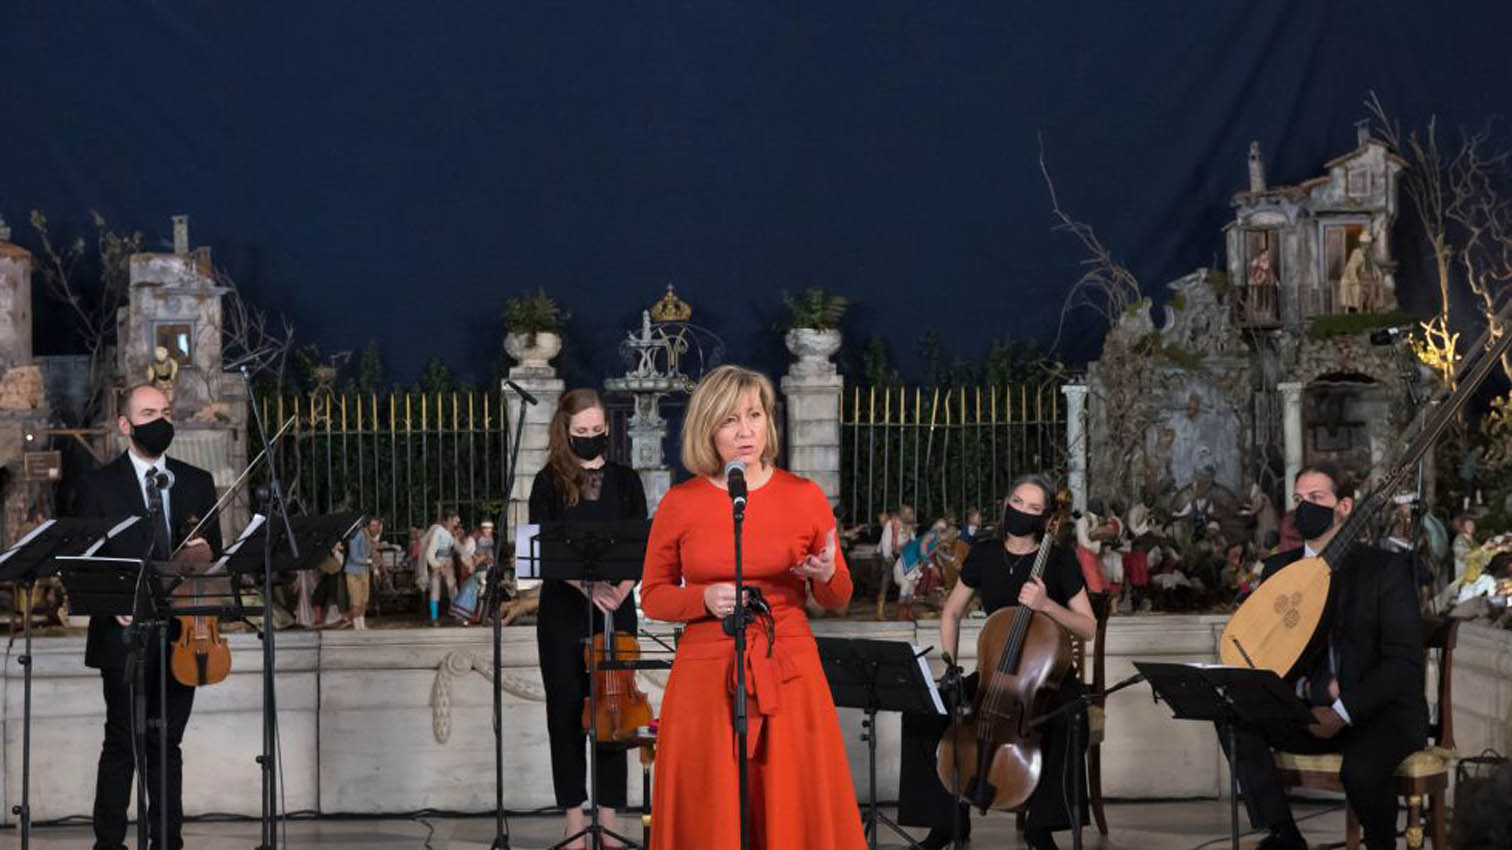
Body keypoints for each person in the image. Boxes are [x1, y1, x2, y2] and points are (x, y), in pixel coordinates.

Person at [641, 365, 864, 850]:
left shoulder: (804, 496)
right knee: (709, 805)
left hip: (788, 668)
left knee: (791, 799)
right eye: (729, 420)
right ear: (707, 429)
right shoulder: (681, 504)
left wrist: (825, 575)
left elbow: (839, 596)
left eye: (754, 415)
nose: (745, 431)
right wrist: (701, 598)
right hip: (705, 672)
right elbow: (653, 595)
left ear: (769, 422)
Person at [1219, 462, 1426, 850]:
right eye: (1299, 500)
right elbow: (1272, 652)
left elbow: (1403, 663)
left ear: (1345, 506)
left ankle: (1382, 845)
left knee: (1362, 771)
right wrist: (1300, 695)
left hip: (1376, 713)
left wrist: (1343, 709)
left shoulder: (1385, 568)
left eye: (1317, 498)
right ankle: (1283, 834)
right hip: (1308, 709)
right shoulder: (1279, 569)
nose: (1304, 508)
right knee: (1234, 721)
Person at [898, 474, 1096, 850]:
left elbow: (1088, 628)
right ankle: (946, 823)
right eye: (1018, 502)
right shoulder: (985, 553)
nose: (1022, 511)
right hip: (995, 673)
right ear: (1006, 502)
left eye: (1034, 508)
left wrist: (1047, 605)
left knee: (1071, 719)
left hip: (1047, 679)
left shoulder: (1059, 558)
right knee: (924, 710)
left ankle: (1042, 826)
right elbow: (951, 613)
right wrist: (950, 666)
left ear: (1046, 516)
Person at [73, 384, 222, 850]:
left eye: (165, 411)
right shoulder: (99, 485)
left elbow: (211, 558)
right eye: (148, 412)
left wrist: (204, 554)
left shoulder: (197, 482)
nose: (161, 420)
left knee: (166, 745)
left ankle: (166, 842)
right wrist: (112, 601)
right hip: (123, 638)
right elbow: (82, 562)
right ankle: (109, 844)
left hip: (183, 636)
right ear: (125, 425)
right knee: (122, 742)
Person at [529, 388, 647, 848]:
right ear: (565, 431)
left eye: (598, 432)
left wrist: (619, 589)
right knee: (564, 710)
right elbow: (546, 551)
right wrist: (587, 587)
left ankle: (611, 815)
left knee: (614, 711)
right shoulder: (548, 482)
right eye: (582, 433)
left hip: (617, 609)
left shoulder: (626, 480)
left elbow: (643, 545)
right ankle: (574, 816)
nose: (591, 439)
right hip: (564, 610)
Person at [422, 508, 461, 626]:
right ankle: (434, 618)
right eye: (455, 521)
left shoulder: (450, 533)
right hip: (439, 561)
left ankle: (456, 614)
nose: (457, 524)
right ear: (449, 520)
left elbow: (458, 548)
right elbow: (430, 553)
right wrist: (438, 566)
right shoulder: (438, 531)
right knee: (435, 589)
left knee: (452, 588)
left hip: (447, 561)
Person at [343, 516, 381, 630]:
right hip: (353, 572)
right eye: (373, 525)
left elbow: (371, 554)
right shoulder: (357, 535)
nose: (376, 528)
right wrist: (370, 561)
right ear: (367, 526)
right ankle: (356, 625)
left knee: (364, 600)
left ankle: (362, 624)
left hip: (364, 570)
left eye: (377, 525)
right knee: (356, 601)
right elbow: (354, 557)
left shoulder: (369, 537)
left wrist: (375, 569)